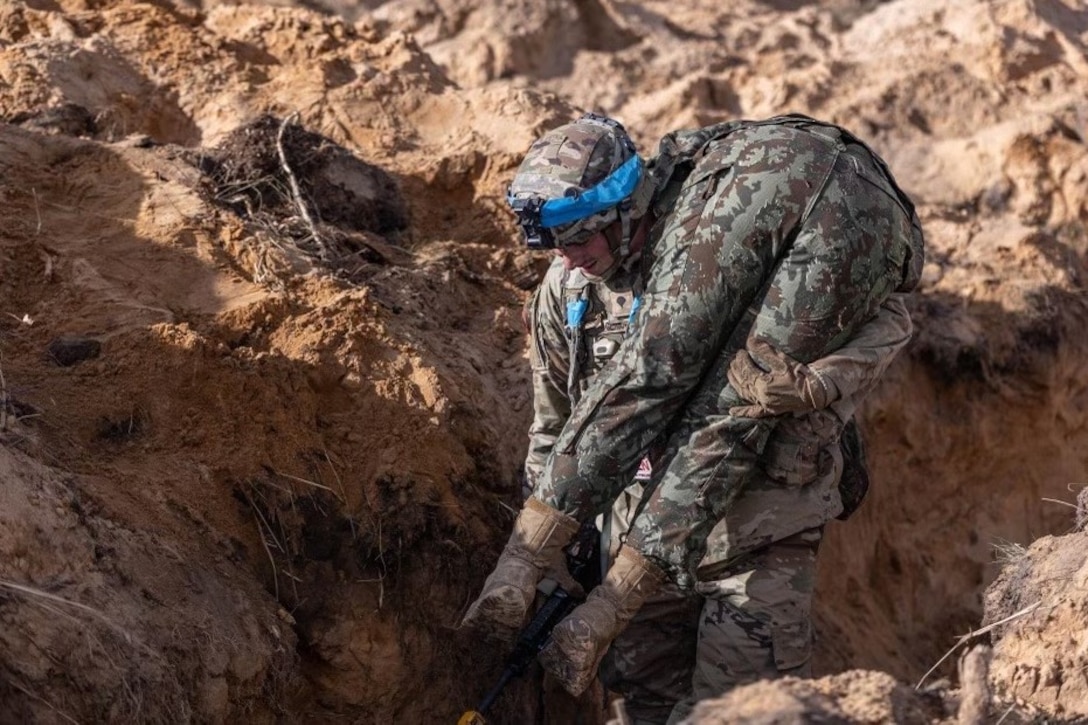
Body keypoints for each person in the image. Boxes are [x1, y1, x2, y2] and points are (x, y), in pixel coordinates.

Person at [462, 111, 925, 710]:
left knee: (746, 711)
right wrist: (547, 554)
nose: (570, 257)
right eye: (557, 243)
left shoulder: (730, 234)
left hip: (756, 537)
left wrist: (819, 382)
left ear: (624, 211)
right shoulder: (567, 293)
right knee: (643, 706)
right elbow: (555, 424)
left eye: (580, 238)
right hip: (631, 532)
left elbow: (890, 318)